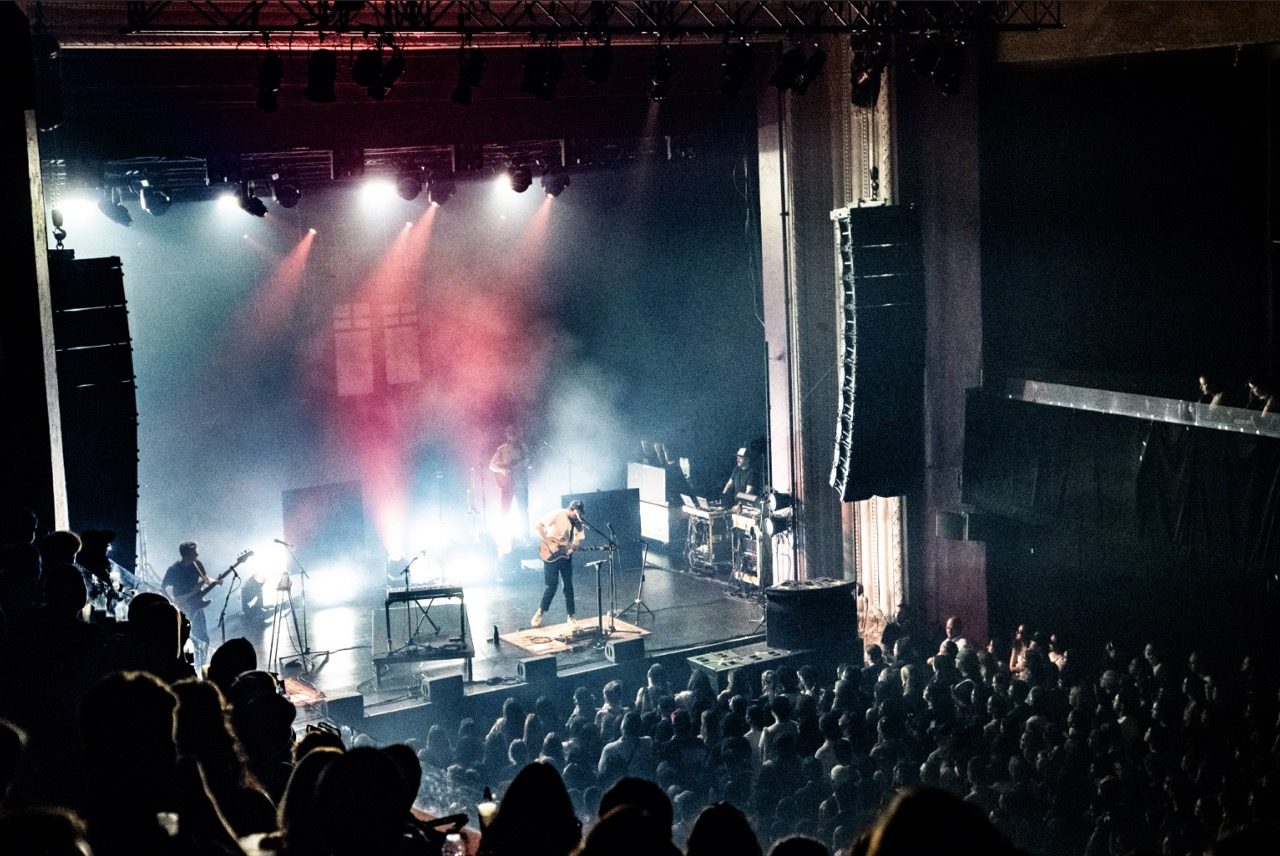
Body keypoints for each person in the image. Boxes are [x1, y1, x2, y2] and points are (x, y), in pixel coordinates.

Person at [532, 499, 585, 628]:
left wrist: (573, 547)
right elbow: (539, 526)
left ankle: (571, 616)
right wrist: (548, 543)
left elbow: (578, 541)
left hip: (565, 556)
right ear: (572, 509)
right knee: (552, 586)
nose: (579, 516)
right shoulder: (557, 514)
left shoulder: (578, 523)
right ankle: (540, 612)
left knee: (568, 586)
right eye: (577, 513)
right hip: (550, 553)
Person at [162, 541, 222, 650]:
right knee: (183, 637)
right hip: (183, 606)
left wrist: (216, 581)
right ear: (187, 555)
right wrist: (173, 602)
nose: (197, 555)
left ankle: (201, 664)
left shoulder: (197, 564)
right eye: (194, 552)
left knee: (202, 638)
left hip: (197, 604)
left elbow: (207, 580)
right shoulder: (174, 570)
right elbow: (164, 587)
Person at [489, 425, 531, 551]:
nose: (514, 437)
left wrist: (517, 467)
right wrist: (502, 470)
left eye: (516, 434)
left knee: (523, 511)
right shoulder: (501, 449)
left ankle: (526, 538)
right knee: (504, 511)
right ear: (508, 435)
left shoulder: (523, 447)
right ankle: (503, 538)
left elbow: (527, 461)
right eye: (512, 434)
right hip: (507, 485)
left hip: (521, 484)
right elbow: (491, 465)